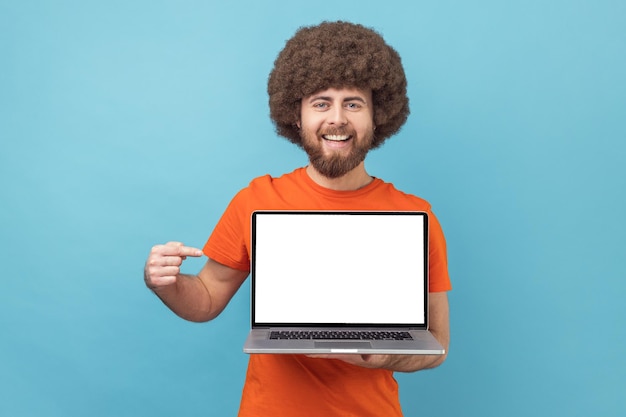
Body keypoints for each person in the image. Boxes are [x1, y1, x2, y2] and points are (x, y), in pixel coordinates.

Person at [144, 21, 452, 417]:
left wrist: (380, 357)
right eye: (321, 103)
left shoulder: (415, 215)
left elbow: (437, 345)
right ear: (296, 115)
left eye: (353, 103)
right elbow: (204, 299)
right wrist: (164, 283)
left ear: (378, 116)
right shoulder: (257, 199)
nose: (337, 119)